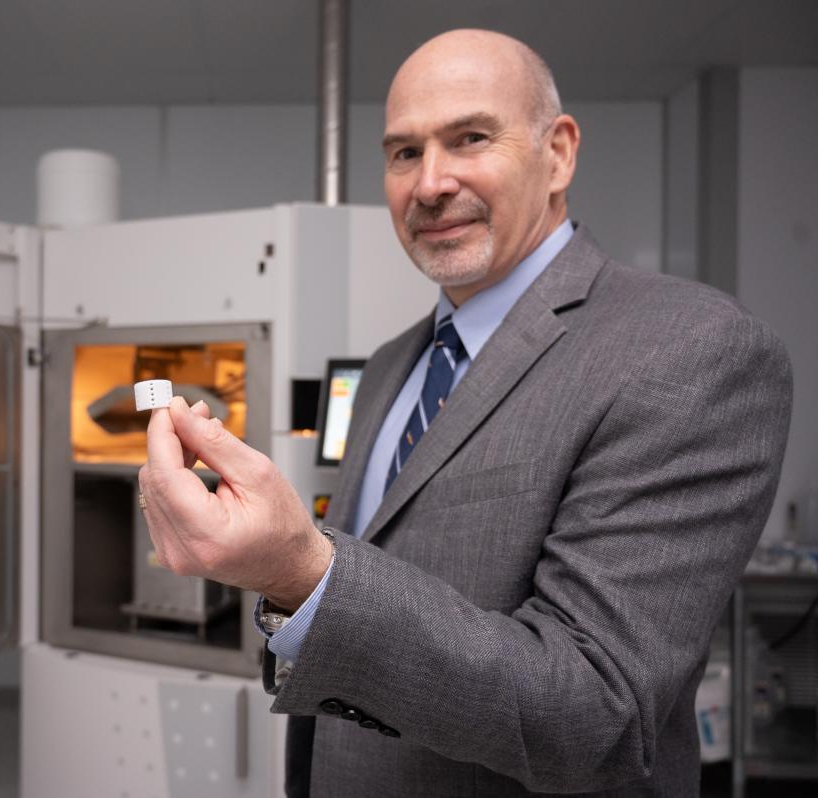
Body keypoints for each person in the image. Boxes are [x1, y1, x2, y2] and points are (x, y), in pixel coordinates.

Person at [137, 28, 792, 797]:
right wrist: (287, 580)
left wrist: (298, 567)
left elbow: (595, 714)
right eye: (404, 153)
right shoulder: (390, 367)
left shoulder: (691, 350)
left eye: (470, 138)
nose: (430, 183)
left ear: (559, 153)